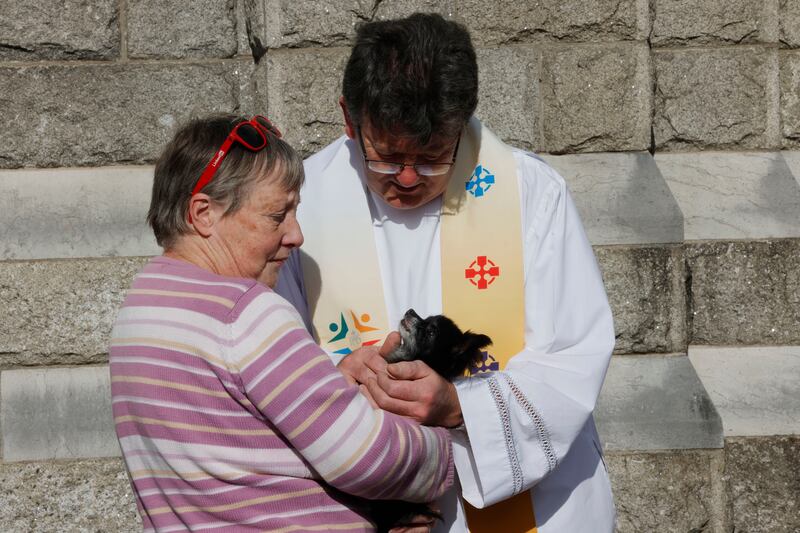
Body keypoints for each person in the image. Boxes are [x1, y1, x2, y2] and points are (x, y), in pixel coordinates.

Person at [275, 13, 616, 533]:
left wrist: (461, 406)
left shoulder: (530, 195)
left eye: (433, 157)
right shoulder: (301, 204)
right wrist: (340, 385)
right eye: (388, 157)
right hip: (364, 506)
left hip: (530, 508)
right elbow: (274, 352)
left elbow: (573, 356)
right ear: (349, 118)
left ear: (462, 123)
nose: (408, 178)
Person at [109, 114, 455, 532]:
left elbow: (234, 448)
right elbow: (365, 457)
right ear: (204, 214)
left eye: (296, 211)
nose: (296, 235)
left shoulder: (139, 309)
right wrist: (441, 444)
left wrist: (329, 387)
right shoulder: (245, 311)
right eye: (277, 215)